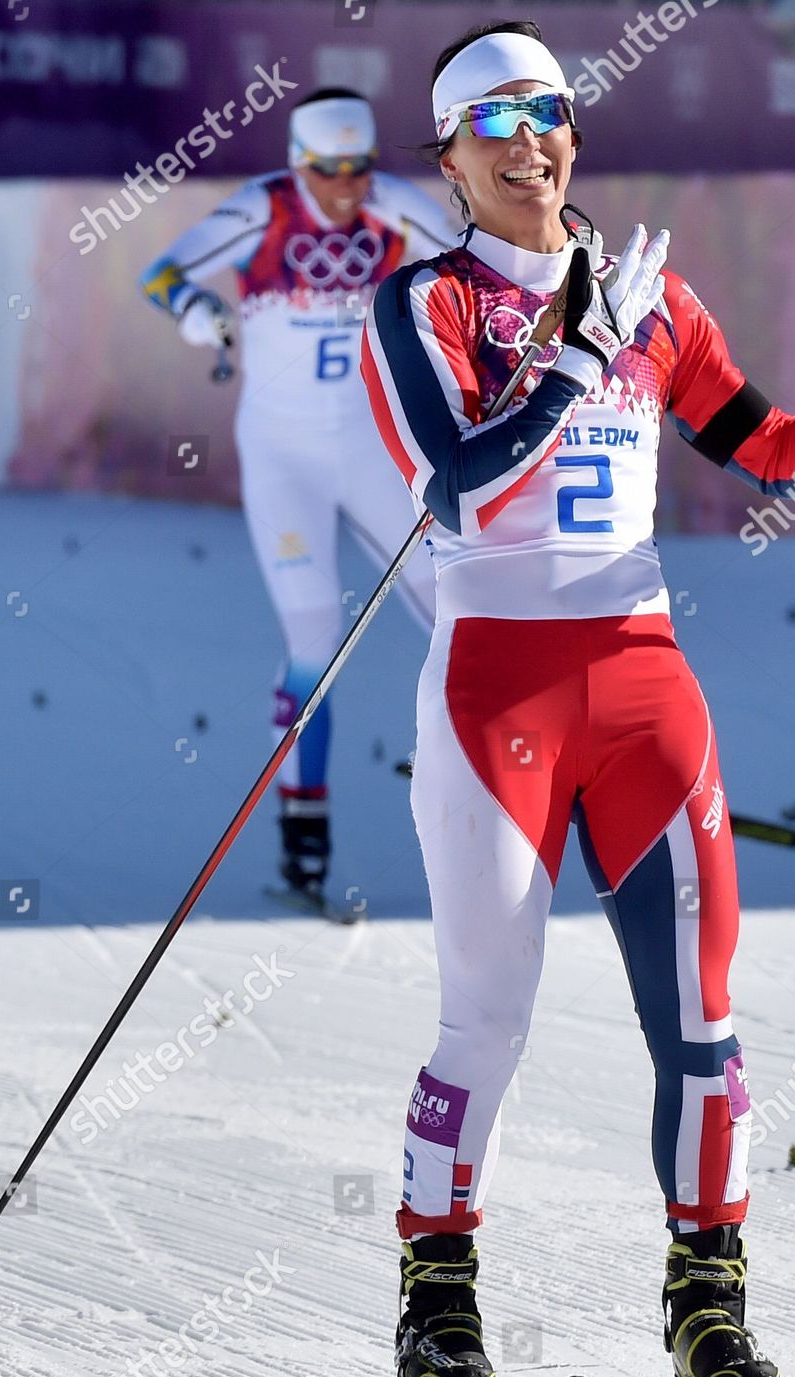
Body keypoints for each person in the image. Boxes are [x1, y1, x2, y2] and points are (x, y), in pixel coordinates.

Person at [361, 20, 795, 1377]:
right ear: (447, 158)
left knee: (701, 1019)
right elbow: (456, 488)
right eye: (493, 123)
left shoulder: (652, 296)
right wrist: (575, 358)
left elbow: (762, 444)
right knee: (486, 1020)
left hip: (640, 686)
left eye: (549, 112)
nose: (529, 142)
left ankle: (710, 1303)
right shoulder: (425, 302)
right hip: (494, 690)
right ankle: (438, 1303)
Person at [140, 89, 458, 907]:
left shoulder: (392, 205)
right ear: (298, 161)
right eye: (329, 172)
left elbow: (474, 265)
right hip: (283, 456)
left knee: (459, 608)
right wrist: (193, 309)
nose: (347, 187)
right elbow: (161, 272)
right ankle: (303, 840)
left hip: (369, 450)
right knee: (314, 633)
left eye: (358, 168)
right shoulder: (261, 209)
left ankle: (513, 771)